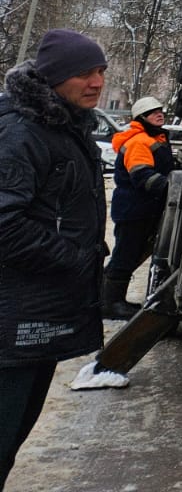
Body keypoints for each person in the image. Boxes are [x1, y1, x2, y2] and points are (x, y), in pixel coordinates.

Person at [0, 30, 108, 487]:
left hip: (35, 312)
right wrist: (75, 258)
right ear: (54, 77)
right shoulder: (22, 131)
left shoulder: (61, 125)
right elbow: (4, 223)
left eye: (101, 71)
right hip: (12, 319)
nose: (97, 82)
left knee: (14, 433)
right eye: (84, 72)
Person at [102, 96, 176, 320]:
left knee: (132, 254)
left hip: (142, 208)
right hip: (134, 209)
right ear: (141, 118)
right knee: (125, 255)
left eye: (160, 110)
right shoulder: (138, 141)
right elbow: (143, 176)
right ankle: (110, 303)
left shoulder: (154, 138)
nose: (159, 114)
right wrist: (173, 187)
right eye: (153, 112)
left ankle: (108, 298)